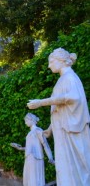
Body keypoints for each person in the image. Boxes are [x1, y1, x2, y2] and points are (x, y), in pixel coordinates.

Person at [27, 47, 90, 186]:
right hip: (63, 131)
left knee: (74, 167)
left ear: (61, 61)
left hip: (71, 131)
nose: (49, 65)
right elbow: (60, 109)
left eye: (51, 61)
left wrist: (41, 102)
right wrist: (50, 129)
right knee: (65, 167)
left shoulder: (70, 78)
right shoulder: (63, 80)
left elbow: (72, 98)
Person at [11, 113, 54, 186]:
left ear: (31, 120)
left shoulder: (38, 130)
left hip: (36, 158)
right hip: (29, 158)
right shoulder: (29, 133)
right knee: (28, 178)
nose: (25, 122)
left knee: (34, 179)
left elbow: (45, 144)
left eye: (26, 120)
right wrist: (20, 148)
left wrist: (50, 158)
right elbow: (29, 148)